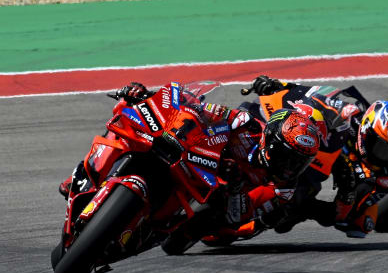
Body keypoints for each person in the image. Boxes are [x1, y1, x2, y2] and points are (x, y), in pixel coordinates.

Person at [58, 81, 321, 246]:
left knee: (196, 229)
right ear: (271, 139)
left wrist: (235, 189)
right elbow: (203, 111)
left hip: (208, 202)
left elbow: (242, 215)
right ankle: (82, 175)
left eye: (299, 161)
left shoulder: (284, 186)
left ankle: (147, 229)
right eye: (288, 157)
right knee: (126, 123)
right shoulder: (247, 125)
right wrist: (149, 97)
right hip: (191, 162)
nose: (290, 166)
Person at [239, 75, 388, 238]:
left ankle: (281, 212)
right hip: (304, 140)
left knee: (361, 225)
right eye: (380, 146)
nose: (384, 154)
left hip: (324, 172)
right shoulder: (348, 113)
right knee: (248, 117)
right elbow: (311, 94)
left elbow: (360, 205)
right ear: (366, 130)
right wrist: (278, 86)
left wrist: (349, 193)